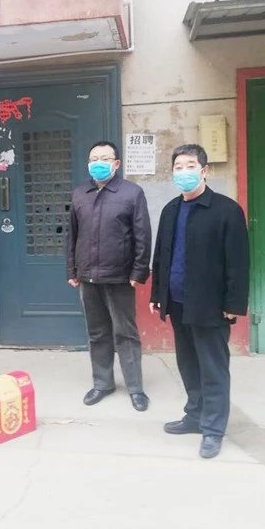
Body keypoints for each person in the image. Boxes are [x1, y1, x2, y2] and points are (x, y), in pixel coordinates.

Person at [150, 144, 249, 458]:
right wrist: (157, 295)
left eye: (190, 166)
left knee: (213, 368)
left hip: (210, 305)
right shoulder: (170, 210)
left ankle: (213, 429)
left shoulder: (226, 210)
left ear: (204, 171)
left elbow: (238, 262)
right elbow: (161, 255)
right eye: (178, 167)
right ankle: (194, 416)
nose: (184, 172)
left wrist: (233, 304)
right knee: (188, 364)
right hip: (178, 303)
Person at [67, 140, 152, 411]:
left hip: (120, 277)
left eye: (105, 158)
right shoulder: (80, 194)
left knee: (126, 333)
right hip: (88, 277)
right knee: (97, 333)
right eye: (94, 159)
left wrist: (139, 271)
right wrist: (72, 270)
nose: (99, 163)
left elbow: (142, 235)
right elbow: (72, 236)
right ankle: (102, 383)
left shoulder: (132, 193)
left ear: (116, 164)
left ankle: (135, 388)